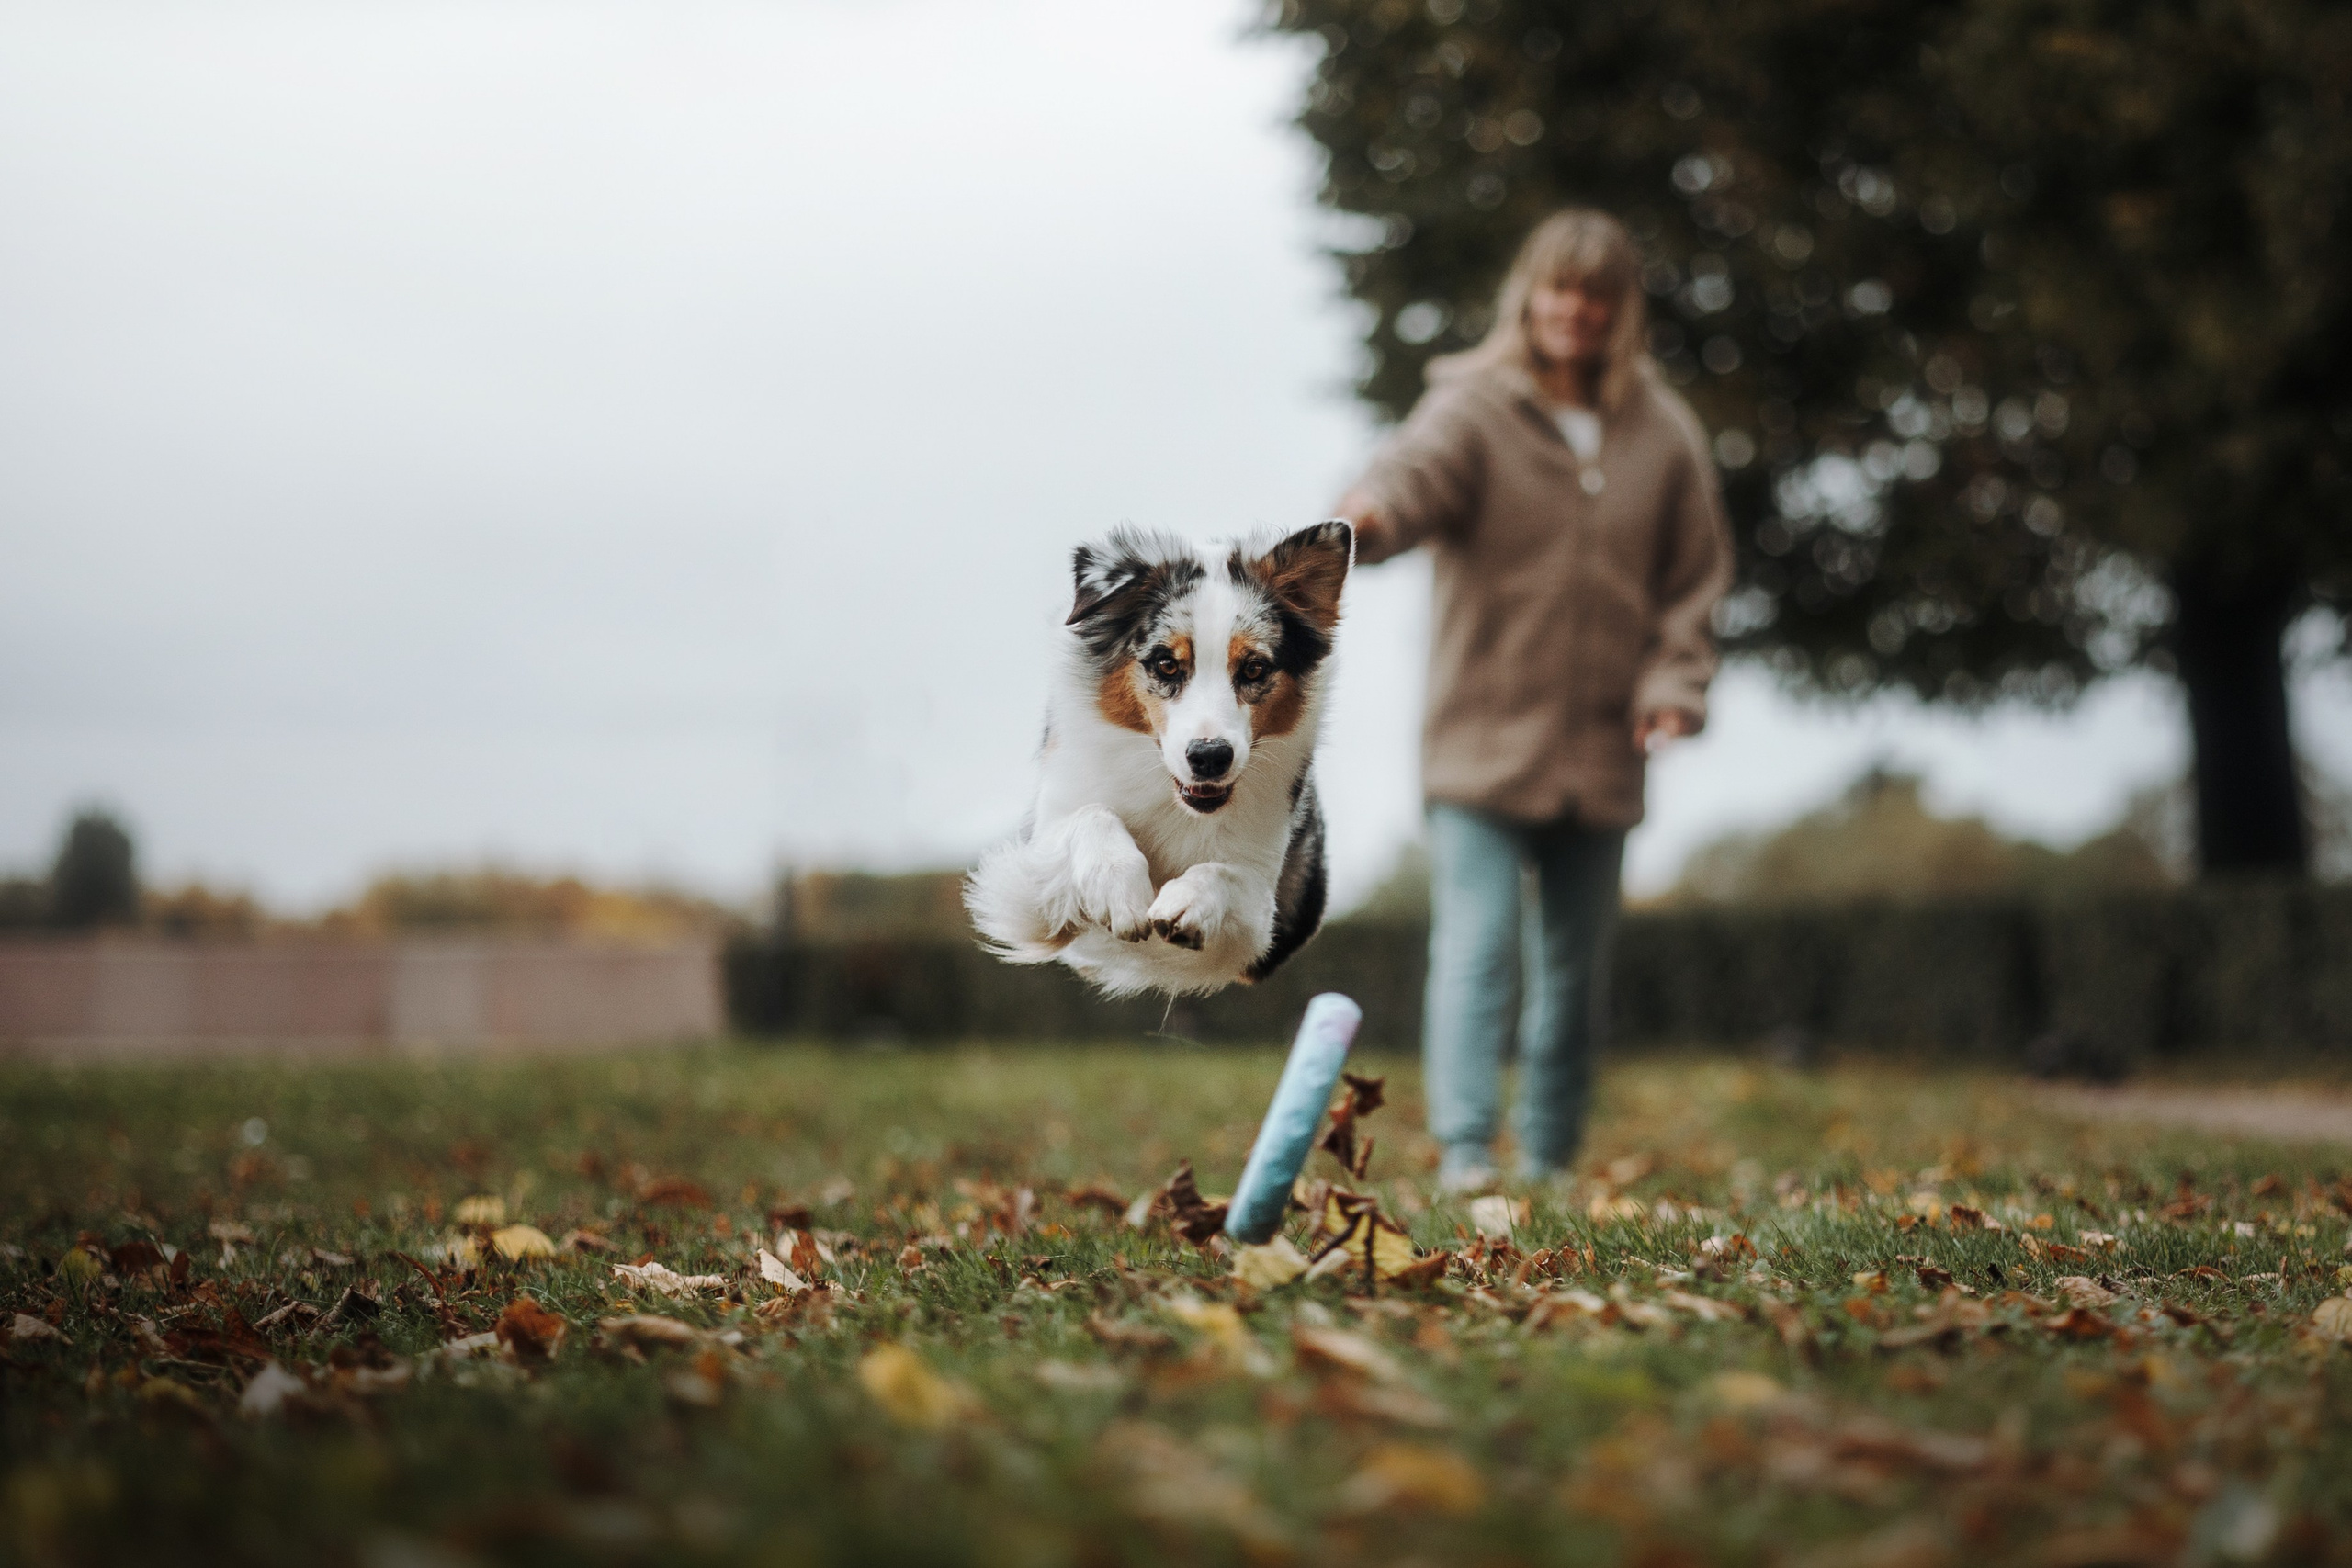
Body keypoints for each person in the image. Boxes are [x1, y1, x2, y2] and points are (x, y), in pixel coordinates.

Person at [1335, 208, 1734, 1193]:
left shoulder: (1662, 433)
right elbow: (1409, 477)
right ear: (1531, 295)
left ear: (1620, 309)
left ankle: (1550, 1157)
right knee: (1476, 953)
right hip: (1481, 740)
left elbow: (1695, 580)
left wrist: (1675, 687)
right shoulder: (1473, 407)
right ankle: (1468, 1153)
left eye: (1597, 295)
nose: (1576, 310)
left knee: (1573, 979)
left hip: (1605, 745)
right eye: (1560, 289)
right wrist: (1366, 521)